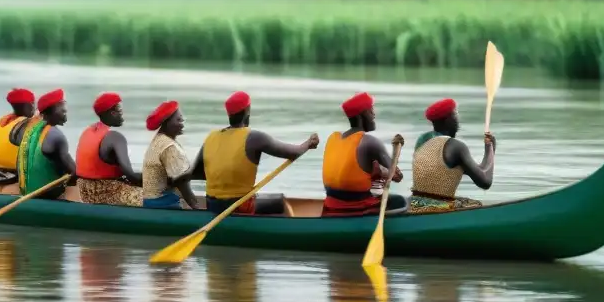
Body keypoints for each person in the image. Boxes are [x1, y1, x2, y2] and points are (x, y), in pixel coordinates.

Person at [188, 91, 319, 215]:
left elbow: (194, 173)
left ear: (229, 115)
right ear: (247, 111)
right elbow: (293, 153)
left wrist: (222, 175)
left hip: (213, 206)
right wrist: (308, 144)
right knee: (281, 202)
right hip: (239, 206)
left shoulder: (211, 138)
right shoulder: (254, 137)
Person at [320, 92, 407, 216]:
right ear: (363, 114)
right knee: (399, 201)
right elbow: (397, 176)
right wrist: (385, 170)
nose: (374, 114)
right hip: (358, 210)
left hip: (330, 207)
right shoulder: (370, 142)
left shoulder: (333, 139)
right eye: (371, 110)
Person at [410, 98, 495, 214]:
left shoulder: (422, 141)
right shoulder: (456, 146)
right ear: (448, 120)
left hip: (415, 204)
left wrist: (487, 150)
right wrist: (491, 149)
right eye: (455, 114)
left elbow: (475, 170)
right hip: (438, 208)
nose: (458, 120)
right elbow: (485, 182)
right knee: (477, 205)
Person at [75, 92, 143, 207]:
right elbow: (131, 176)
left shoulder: (87, 132)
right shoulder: (115, 138)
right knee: (166, 197)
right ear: (112, 113)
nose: (122, 115)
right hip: (108, 192)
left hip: (86, 192)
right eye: (120, 111)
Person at [17, 88, 76, 199]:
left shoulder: (31, 131)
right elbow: (74, 172)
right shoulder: (57, 136)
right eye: (62, 109)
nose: (65, 112)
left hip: (27, 192)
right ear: (50, 112)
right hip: (48, 196)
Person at [141, 101, 200, 210]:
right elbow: (182, 183)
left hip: (148, 202)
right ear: (166, 123)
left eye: (182, 120)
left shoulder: (158, 140)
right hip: (163, 204)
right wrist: (196, 207)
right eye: (178, 120)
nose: (182, 123)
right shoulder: (169, 147)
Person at [0, 88, 37, 171]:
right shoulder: (27, 124)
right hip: (15, 171)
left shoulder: (0, 121)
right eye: (33, 103)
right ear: (30, 105)